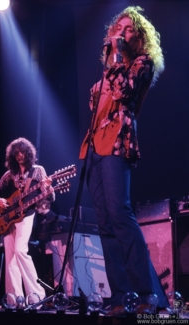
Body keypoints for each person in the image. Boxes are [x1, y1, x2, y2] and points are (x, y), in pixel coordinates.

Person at [79, 6, 169, 312]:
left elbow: (124, 93)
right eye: (118, 27)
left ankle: (148, 296)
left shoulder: (142, 63)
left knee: (120, 214)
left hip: (119, 143)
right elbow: (97, 102)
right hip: (95, 147)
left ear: (140, 37)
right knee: (104, 222)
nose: (121, 32)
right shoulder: (109, 70)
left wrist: (116, 58)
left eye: (128, 28)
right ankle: (120, 296)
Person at [0, 137, 55, 300]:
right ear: (12, 155)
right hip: (9, 217)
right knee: (10, 257)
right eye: (16, 152)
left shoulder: (38, 170)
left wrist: (48, 185)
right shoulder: (10, 174)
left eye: (23, 151)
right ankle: (14, 298)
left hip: (27, 214)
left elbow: (51, 197)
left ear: (29, 153)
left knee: (20, 250)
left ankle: (36, 295)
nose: (20, 155)